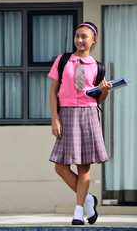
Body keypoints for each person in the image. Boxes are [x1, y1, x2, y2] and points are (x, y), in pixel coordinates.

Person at [48, 22, 112, 225]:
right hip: (66, 115)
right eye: (77, 36)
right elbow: (53, 91)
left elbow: (96, 100)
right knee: (60, 167)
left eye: (84, 36)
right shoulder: (63, 60)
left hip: (88, 115)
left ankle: (78, 212)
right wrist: (55, 118)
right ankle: (88, 200)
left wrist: (105, 91)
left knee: (84, 166)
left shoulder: (97, 67)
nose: (80, 40)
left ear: (94, 40)